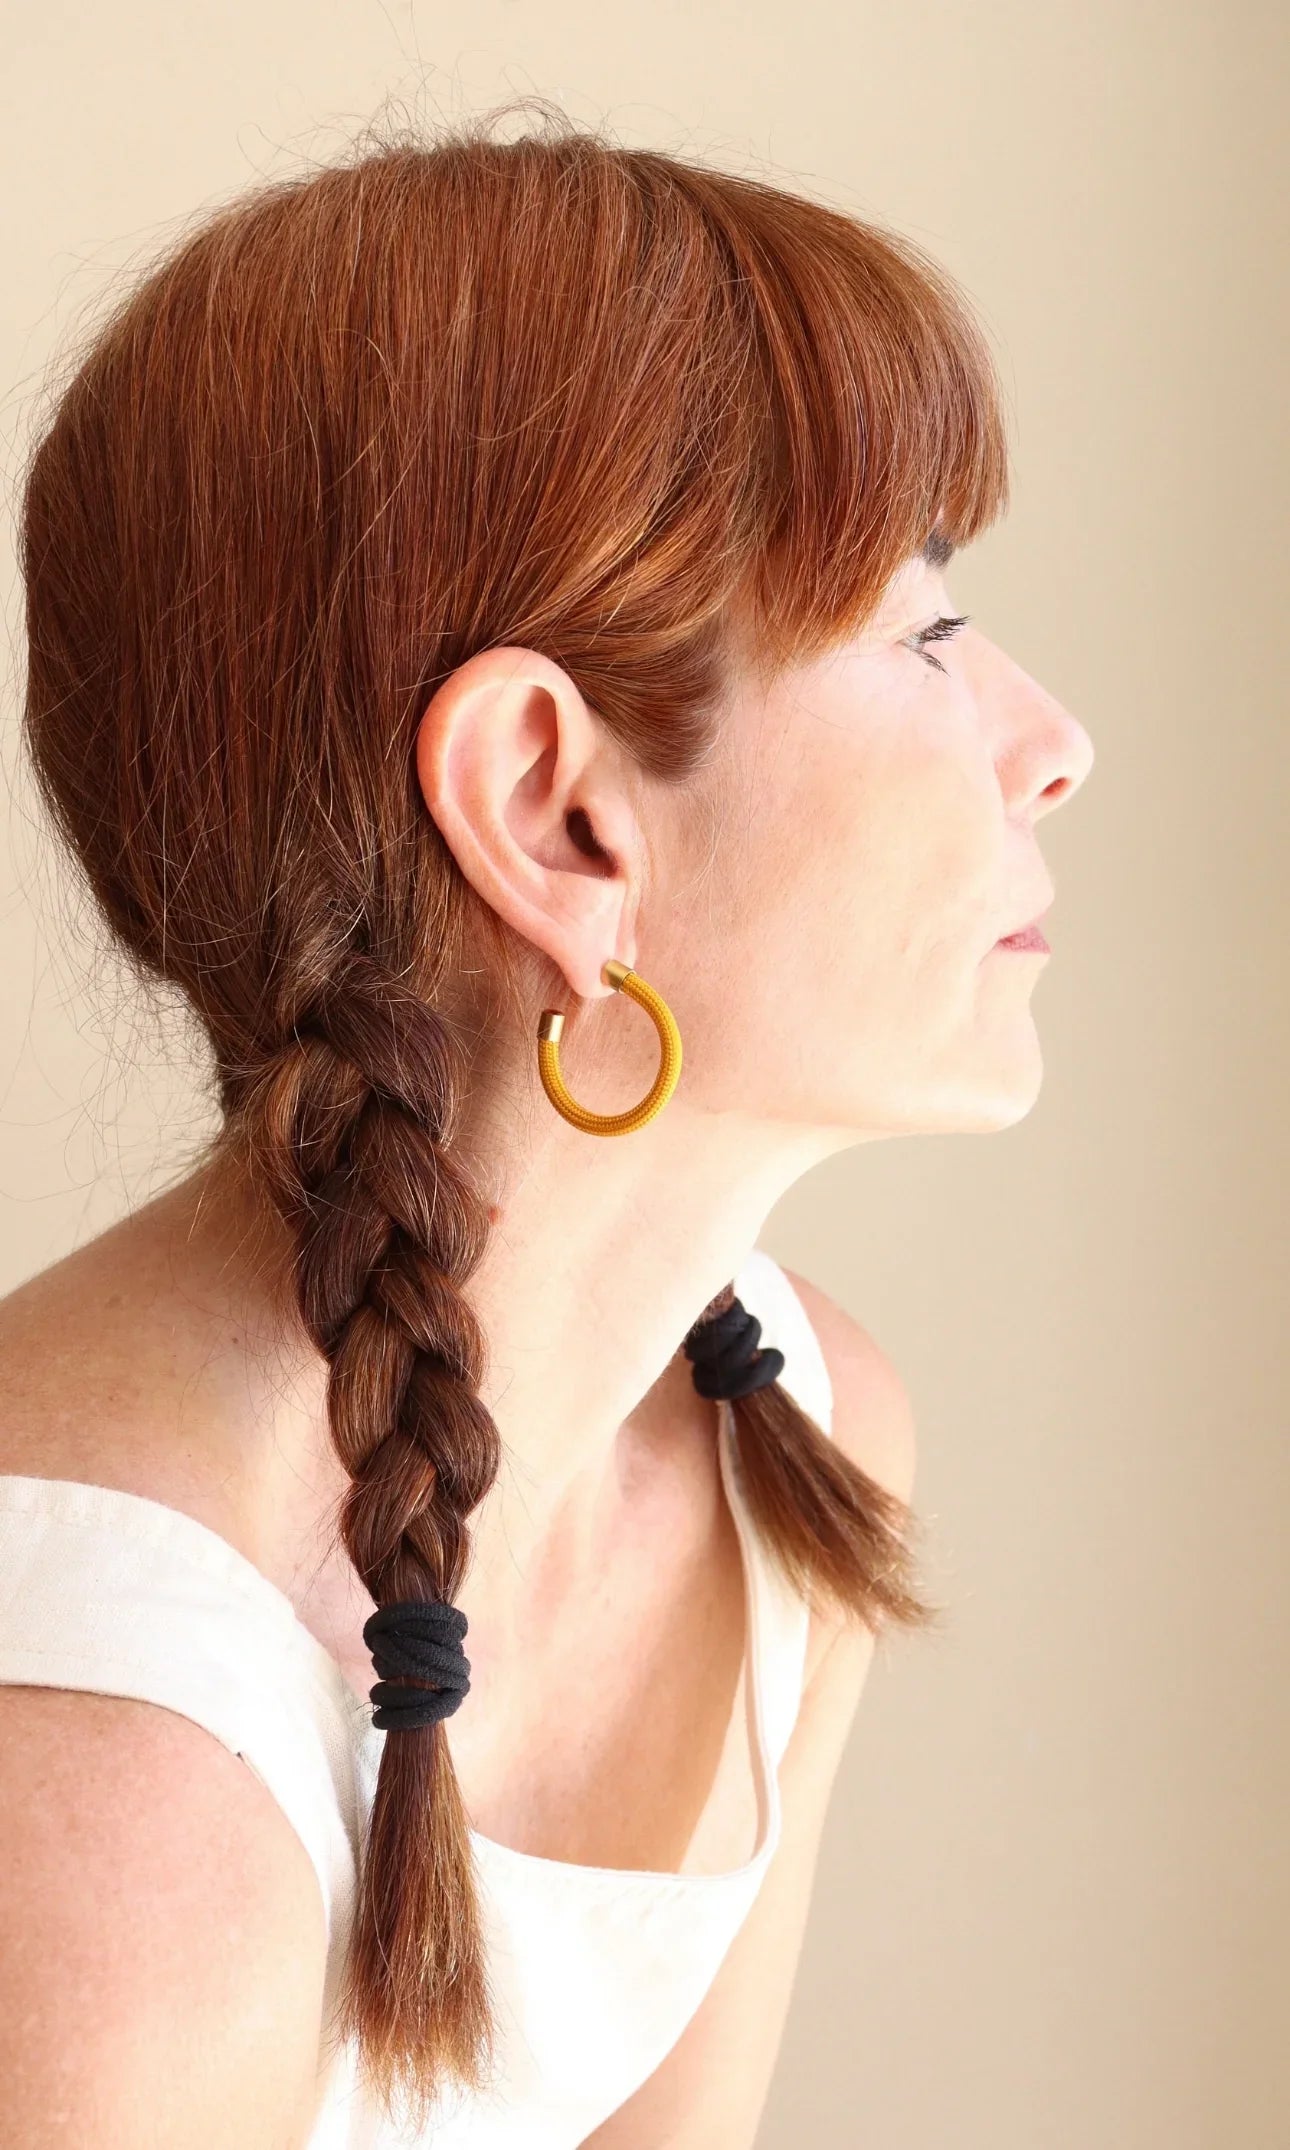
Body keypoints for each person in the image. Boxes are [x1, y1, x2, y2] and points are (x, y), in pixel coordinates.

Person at [0, 104, 1094, 2148]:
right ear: (554, 807)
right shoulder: (92, 1763)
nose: (1054, 743)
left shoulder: (800, 1441)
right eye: (928, 629)